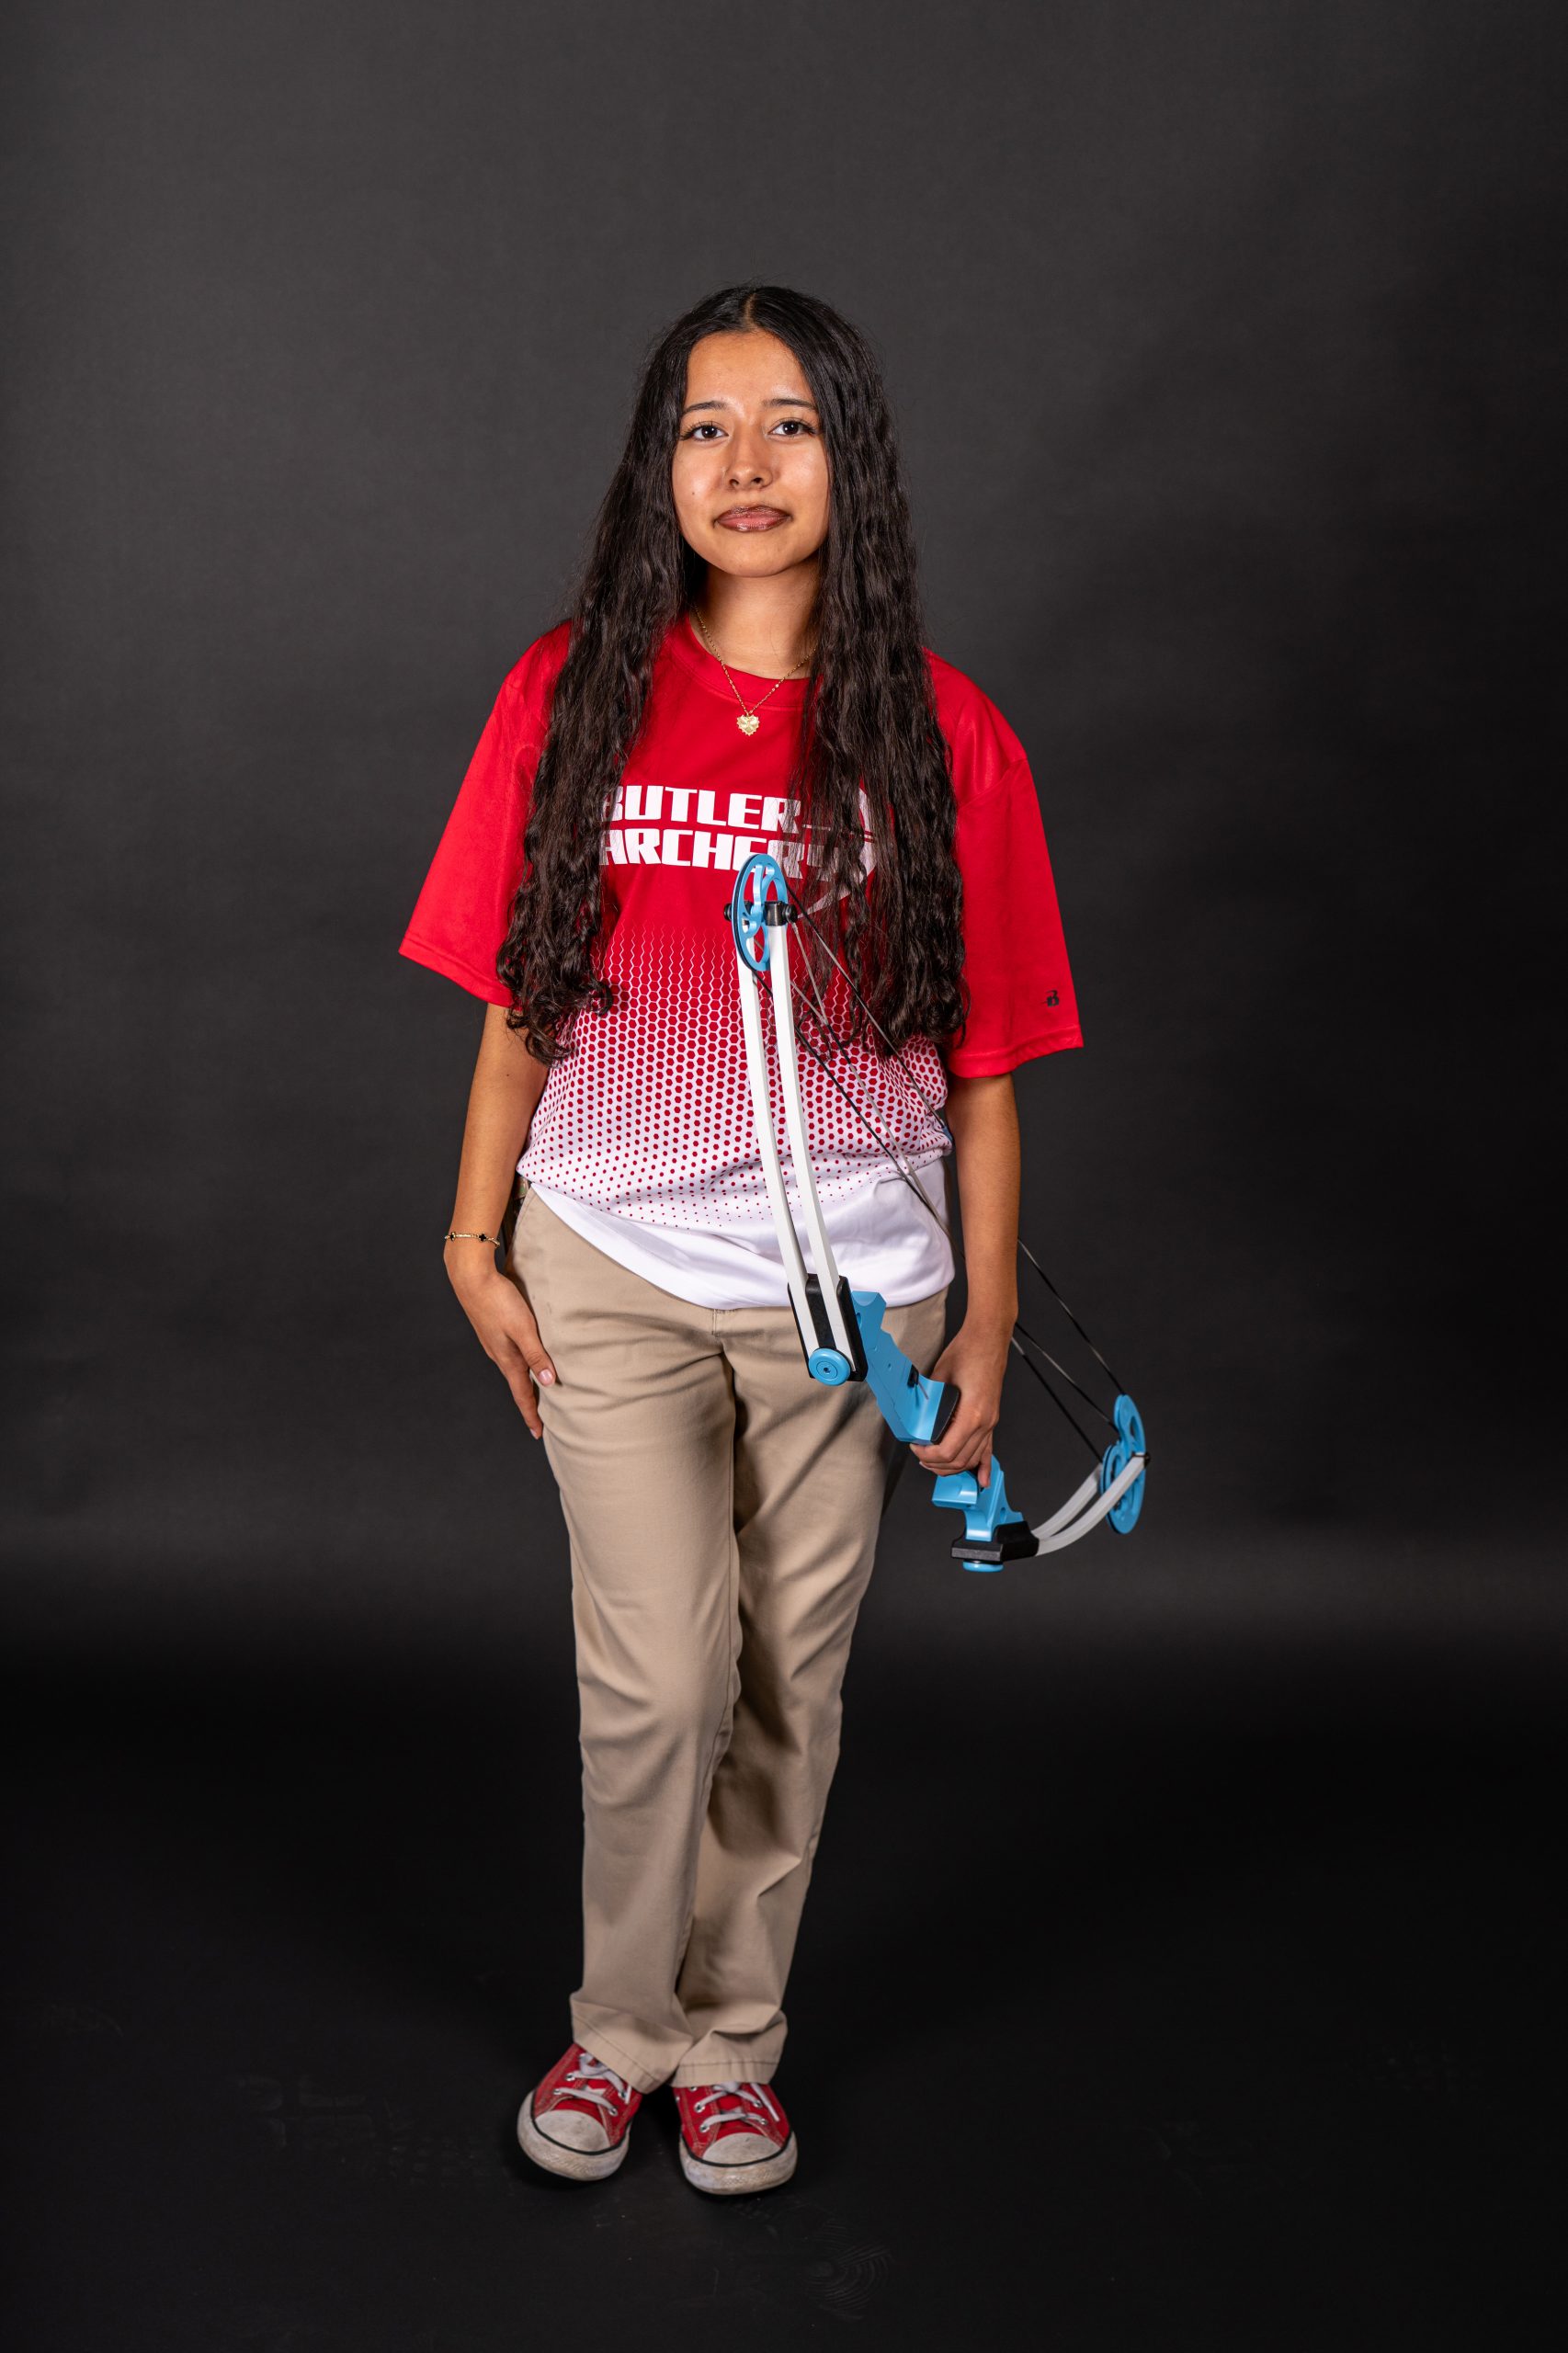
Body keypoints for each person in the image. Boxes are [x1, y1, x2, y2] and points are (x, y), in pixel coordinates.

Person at [398, 283, 1082, 2195]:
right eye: (704, 427)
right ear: (659, 466)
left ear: (851, 462)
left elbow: (985, 1067)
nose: (746, 463)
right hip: (608, 1267)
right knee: (661, 1680)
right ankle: (618, 2025)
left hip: (852, 1298)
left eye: (790, 424)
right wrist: (472, 1236)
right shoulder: (568, 693)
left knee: (791, 1681)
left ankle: (731, 2045)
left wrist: (983, 1316)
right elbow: (518, 998)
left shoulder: (945, 733)